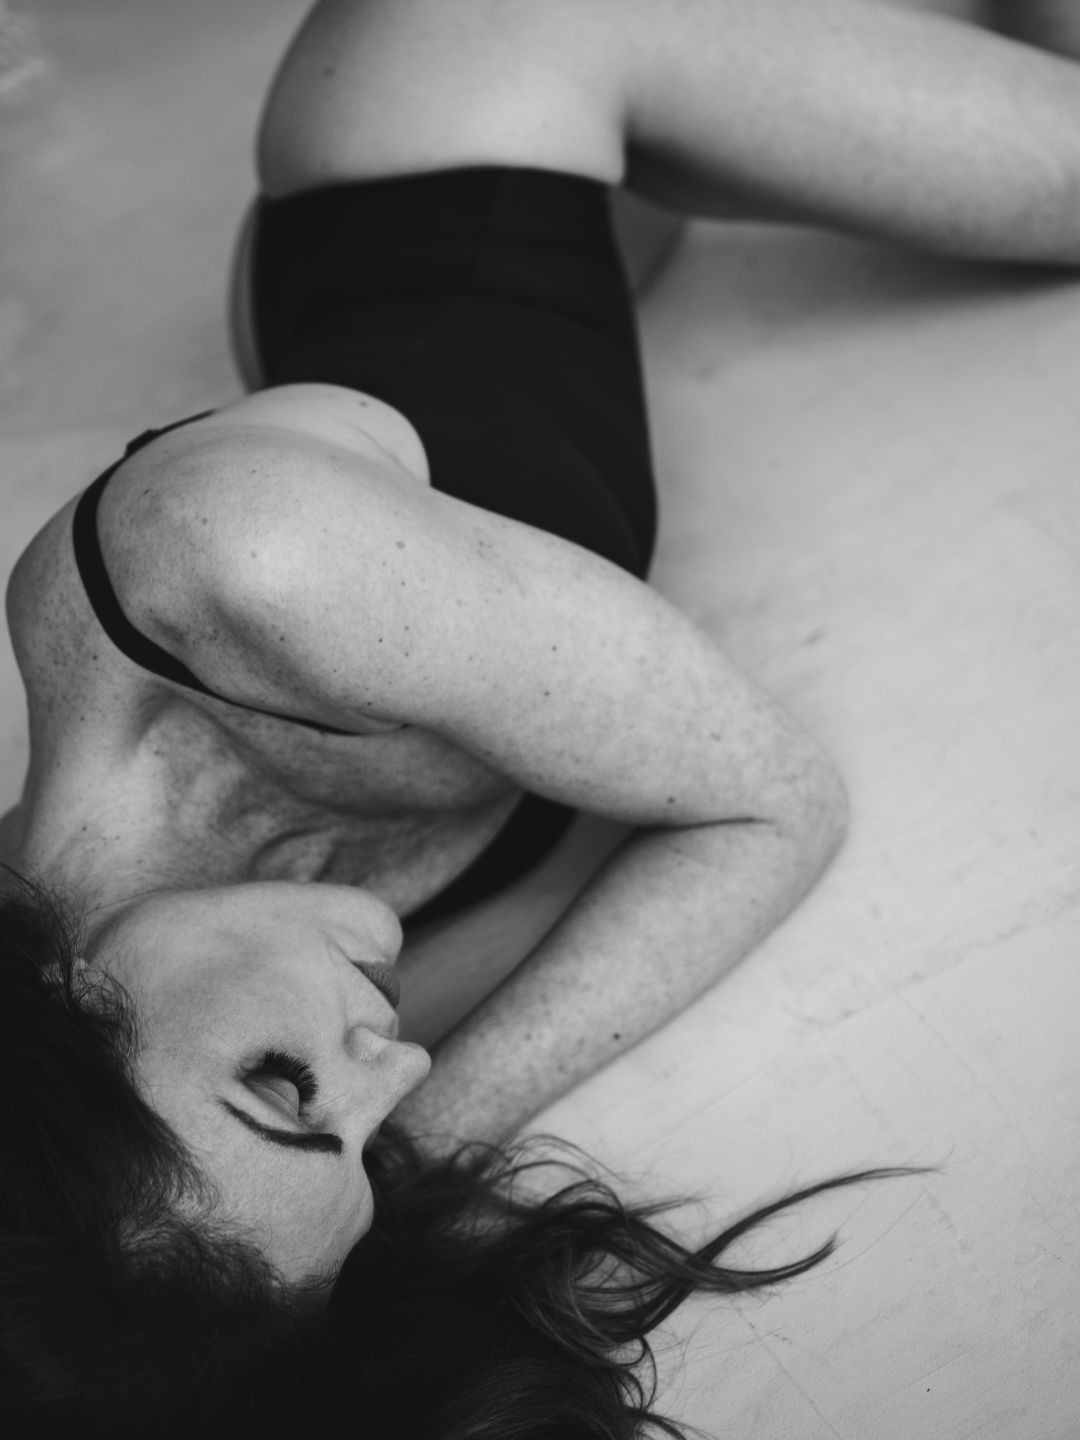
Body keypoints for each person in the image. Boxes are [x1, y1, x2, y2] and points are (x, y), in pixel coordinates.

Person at [1, 1, 1078, 1433]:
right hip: (473, 300)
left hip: (486, 91)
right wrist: (360, 1178)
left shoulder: (245, 565)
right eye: (362, 1143)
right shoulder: (201, 1036)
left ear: (58, 1018)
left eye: (284, 1089)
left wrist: (412, 1154)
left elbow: (775, 801)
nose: (400, 1072)